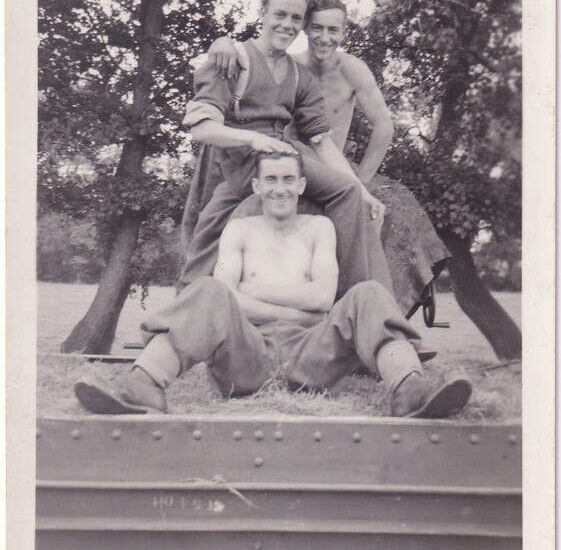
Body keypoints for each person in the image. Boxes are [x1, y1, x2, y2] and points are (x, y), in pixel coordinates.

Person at [74, 151, 472, 418]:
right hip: (247, 357)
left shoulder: (320, 227)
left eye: (288, 180)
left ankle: (410, 389)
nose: (279, 188)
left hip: (311, 356)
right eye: (271, 180)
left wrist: (251, 295)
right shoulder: (239, 230)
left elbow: (320, 299)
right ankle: (143, 386)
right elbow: (223, 297)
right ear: (257, 187)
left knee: (368, 293)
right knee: (209, 291)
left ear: (301, 186)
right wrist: (292, 307)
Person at [205, 0, 449, 314]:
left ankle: (388, 312)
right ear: (305, 28)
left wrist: (361, 182)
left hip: (333, 162)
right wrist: (220, 42)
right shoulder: (290, 67)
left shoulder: (353, 70)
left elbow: (384, 128)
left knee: (392, 213)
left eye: (333, 30)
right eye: (317, 28)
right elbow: (248, 61)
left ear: (344, 32)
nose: (324, 38)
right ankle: (210, 301)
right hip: (288, 158)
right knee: (217, 214)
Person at [178, 0, 390, 301]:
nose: (287, 25)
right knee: (211, 226)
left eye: (296, 18)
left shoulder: (298, 74)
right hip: (246, 161)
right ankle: (361, 304)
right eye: (280, 15)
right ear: (262, 13)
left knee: (349, 193)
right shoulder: (234, 60)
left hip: (283, 157)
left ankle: (361, 307)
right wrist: (251, 141)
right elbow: (201, 129)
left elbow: (321, 140)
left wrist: (363, 191)